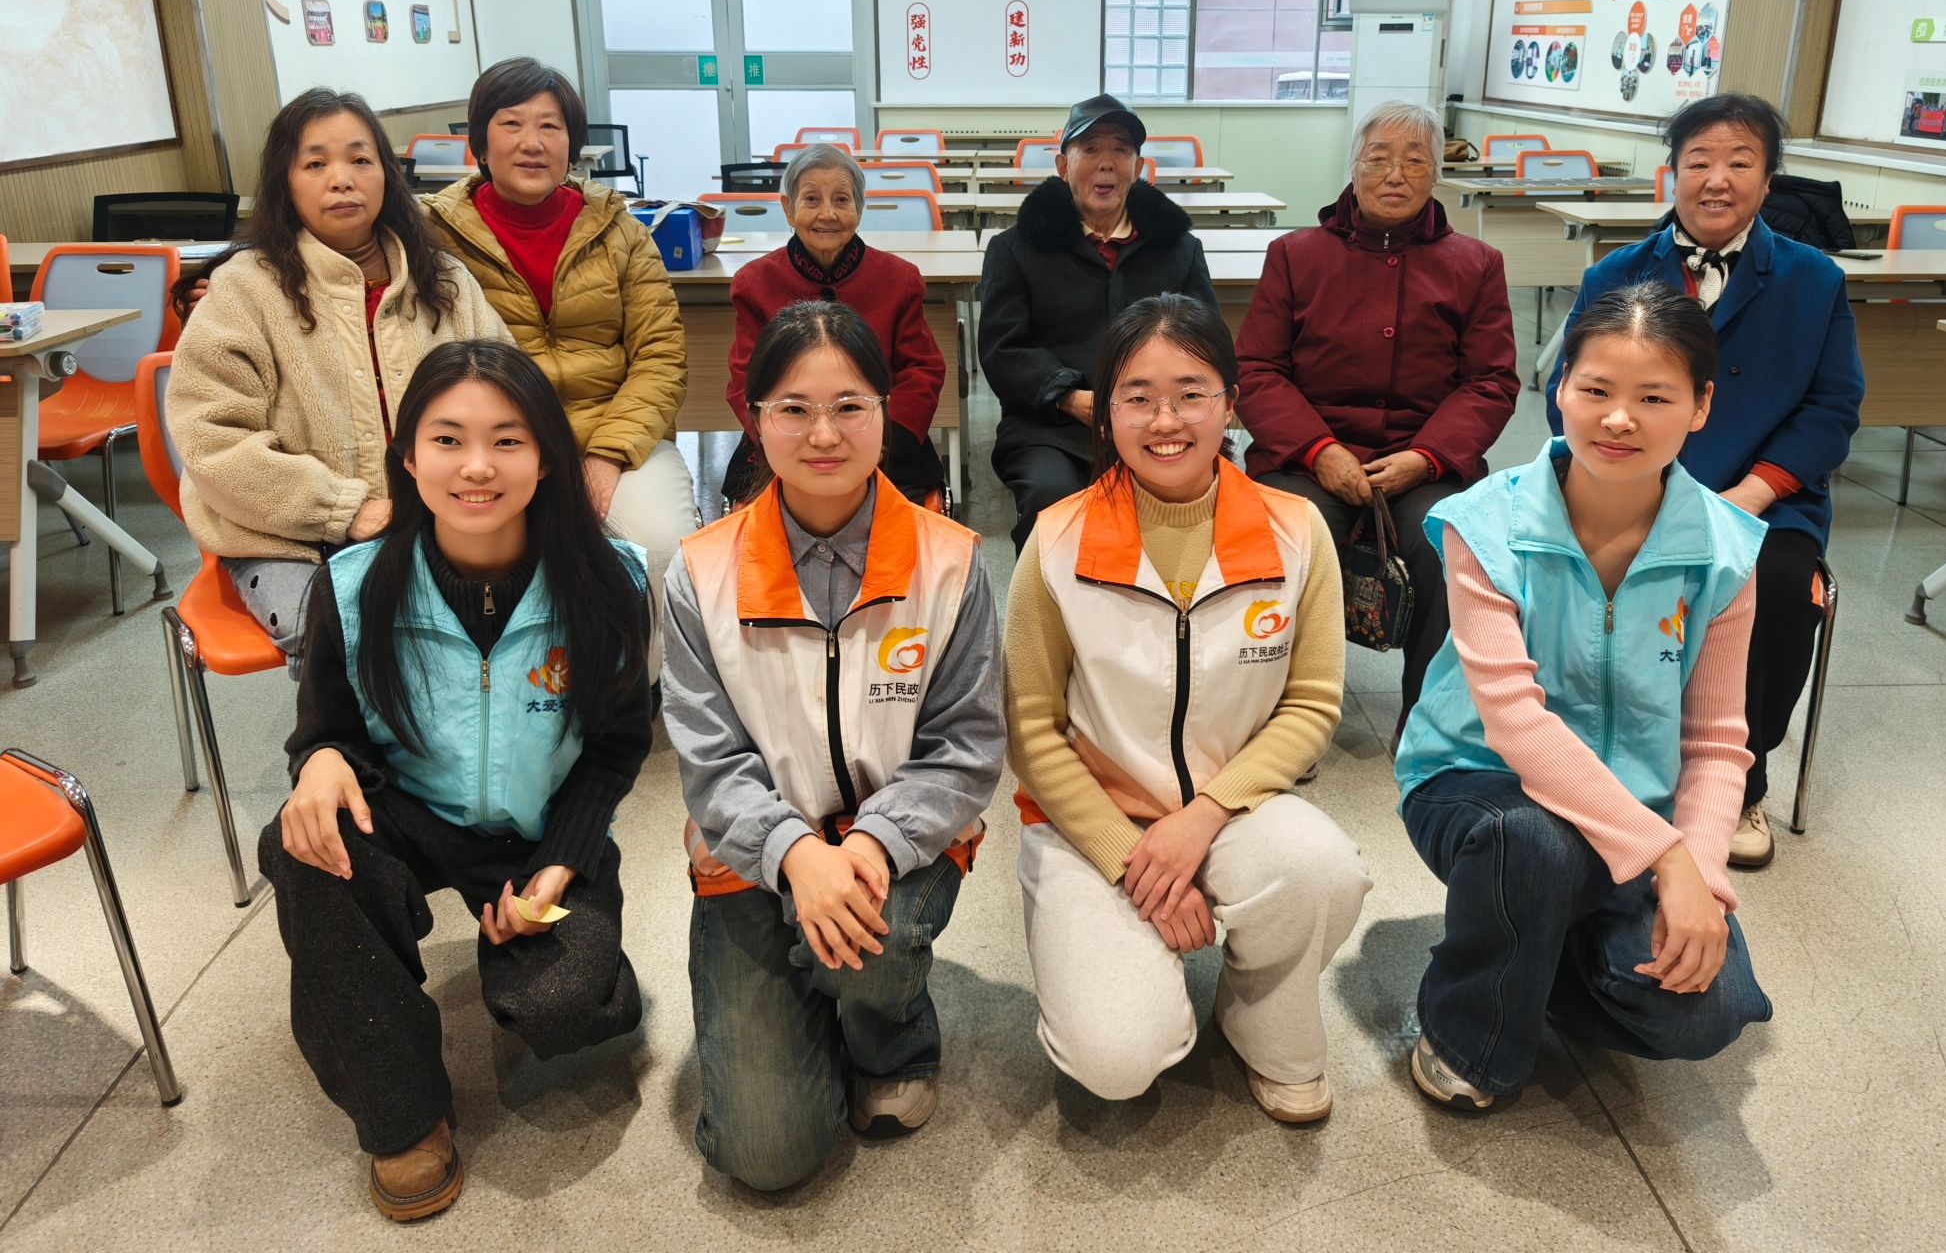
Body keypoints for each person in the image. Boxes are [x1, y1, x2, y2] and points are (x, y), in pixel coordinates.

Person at [255, 341, 653, 1220]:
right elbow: (326, 731)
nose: (477, 466)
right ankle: (403, 1118)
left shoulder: (609, 580)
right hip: (408, 816)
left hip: (540, 829)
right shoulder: (352, 587)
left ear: (546, 458)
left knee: (565, 1007)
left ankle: (560, 964)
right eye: (447, 439)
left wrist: (560, 864)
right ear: (407, 457)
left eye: (508, 440)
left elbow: (619, 745)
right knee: (303, 843)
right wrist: (319, 763)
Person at [1401, 282, 1773, 1112]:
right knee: (1534, 844)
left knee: (1706, 1012)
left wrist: (1701, 877)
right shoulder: (1483, 524)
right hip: (1479, 785)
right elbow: (1516, 726)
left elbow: (1716, 742)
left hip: (1634, 812)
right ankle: (1467, 1029)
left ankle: (1528, 951)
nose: (1619, 419)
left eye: (1655, 398)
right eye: (1596, 389)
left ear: (1701, 407)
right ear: (1560, 387)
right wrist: (1665, 857)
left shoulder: (1725, 550)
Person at [663, 301, 1005, 1192]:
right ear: (755, 419)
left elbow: (966, 744)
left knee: (871, 948)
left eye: (850, 406)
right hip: (752, 854)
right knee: (767, 1157)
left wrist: (867, 847)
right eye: (794, 409)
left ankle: (891, 1035)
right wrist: (794, 856)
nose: (823, 434)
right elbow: (710, 760)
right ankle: (808, 995)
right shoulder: (698, 571)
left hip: (900, 846)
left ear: (886, 414)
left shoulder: (950, 559)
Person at [1006, 294, 1370, 1123]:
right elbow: (1031, 729)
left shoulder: (1296, 530)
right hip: (1090, 823)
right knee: (1115, 1059)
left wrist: (1201, 819)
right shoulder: (1056, 540)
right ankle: (1131, 957)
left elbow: (1311, 704)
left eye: (1191, 394)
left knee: (1320, 872)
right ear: (1106, 413)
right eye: (1137, 397)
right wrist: (1131, 860)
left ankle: (1257, 1018)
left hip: (1234, 807)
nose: (1165, 420)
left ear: (1230, 404)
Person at [1547, 94, 1862, 869]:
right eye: (1699, 162)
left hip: (1762, 498)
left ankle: (1743, 780)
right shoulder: (1617, 273)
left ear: (1768, 179)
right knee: (1574, 567)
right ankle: (1603, 758)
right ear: (1673, 173)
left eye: (1739, 163)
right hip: (1634, 486)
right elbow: (1567, 394)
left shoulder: (1813, 280)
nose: (1717, 180)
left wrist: (1751, 494)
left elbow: (1832, 409)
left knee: (1778, 586)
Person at [167, 88, 508, 674]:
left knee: (516, 611)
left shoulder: (444, 279)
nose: (342, 179)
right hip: (286, 539)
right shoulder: (245, 289)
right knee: (345, 632)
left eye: (360, 159)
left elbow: (509, 399)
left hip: (440, 520)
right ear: (286, 182)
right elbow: (212, 443)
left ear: (386, 175)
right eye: (315, 163)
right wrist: (344, 510)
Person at [1235, 100, 1519, 732]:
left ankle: (1426, 726)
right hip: (1306, 458)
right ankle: (1279, 720)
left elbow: (1491, 380)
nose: (1395, 175)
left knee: (1454, 542)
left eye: (1415, 161)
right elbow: (1257, 369)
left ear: (1436, 173)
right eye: (1379, 159)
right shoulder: (1296, 255)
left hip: (1425, 460)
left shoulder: (1475, 265)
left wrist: (1427, 457)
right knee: (1287, 533)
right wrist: (1318, 450)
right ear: (1354, 168)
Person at [424, 58, 696, 600]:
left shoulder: (620, 230)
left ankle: (643, 663)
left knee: (660, 547)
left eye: (550, 126)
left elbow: (661, 356)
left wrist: (607, 455)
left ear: (571, 145)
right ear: (480, 142)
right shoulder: (432, 233)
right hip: (492, 442)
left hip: (615, 435)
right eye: (511, 124)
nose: (532, 143)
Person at [978, 94, 1218, 553]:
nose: (1106, 163)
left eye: (1120, 150)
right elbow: (1001, 349)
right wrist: (1068, 397)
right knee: (1052, 501)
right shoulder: (1014, 249)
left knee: (1197, 499)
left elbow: (1206, 344)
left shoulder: (1179, 249)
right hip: (1053, 427)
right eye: (1090, 149)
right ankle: (1048, 599)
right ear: (1063, 166)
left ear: (1138, 167)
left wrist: (1160, 405)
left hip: (1160, 420)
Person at [722, 142, 947, 504]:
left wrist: (882, 437)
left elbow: (923, 369)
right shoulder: (755, 282)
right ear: (788, 208)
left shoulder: (898, 279)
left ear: (859, 208)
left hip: (881, 436)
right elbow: (744, 379)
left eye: (841, 200)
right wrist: (780, 433)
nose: (827, 214)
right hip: (787, 434)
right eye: (811, 200)